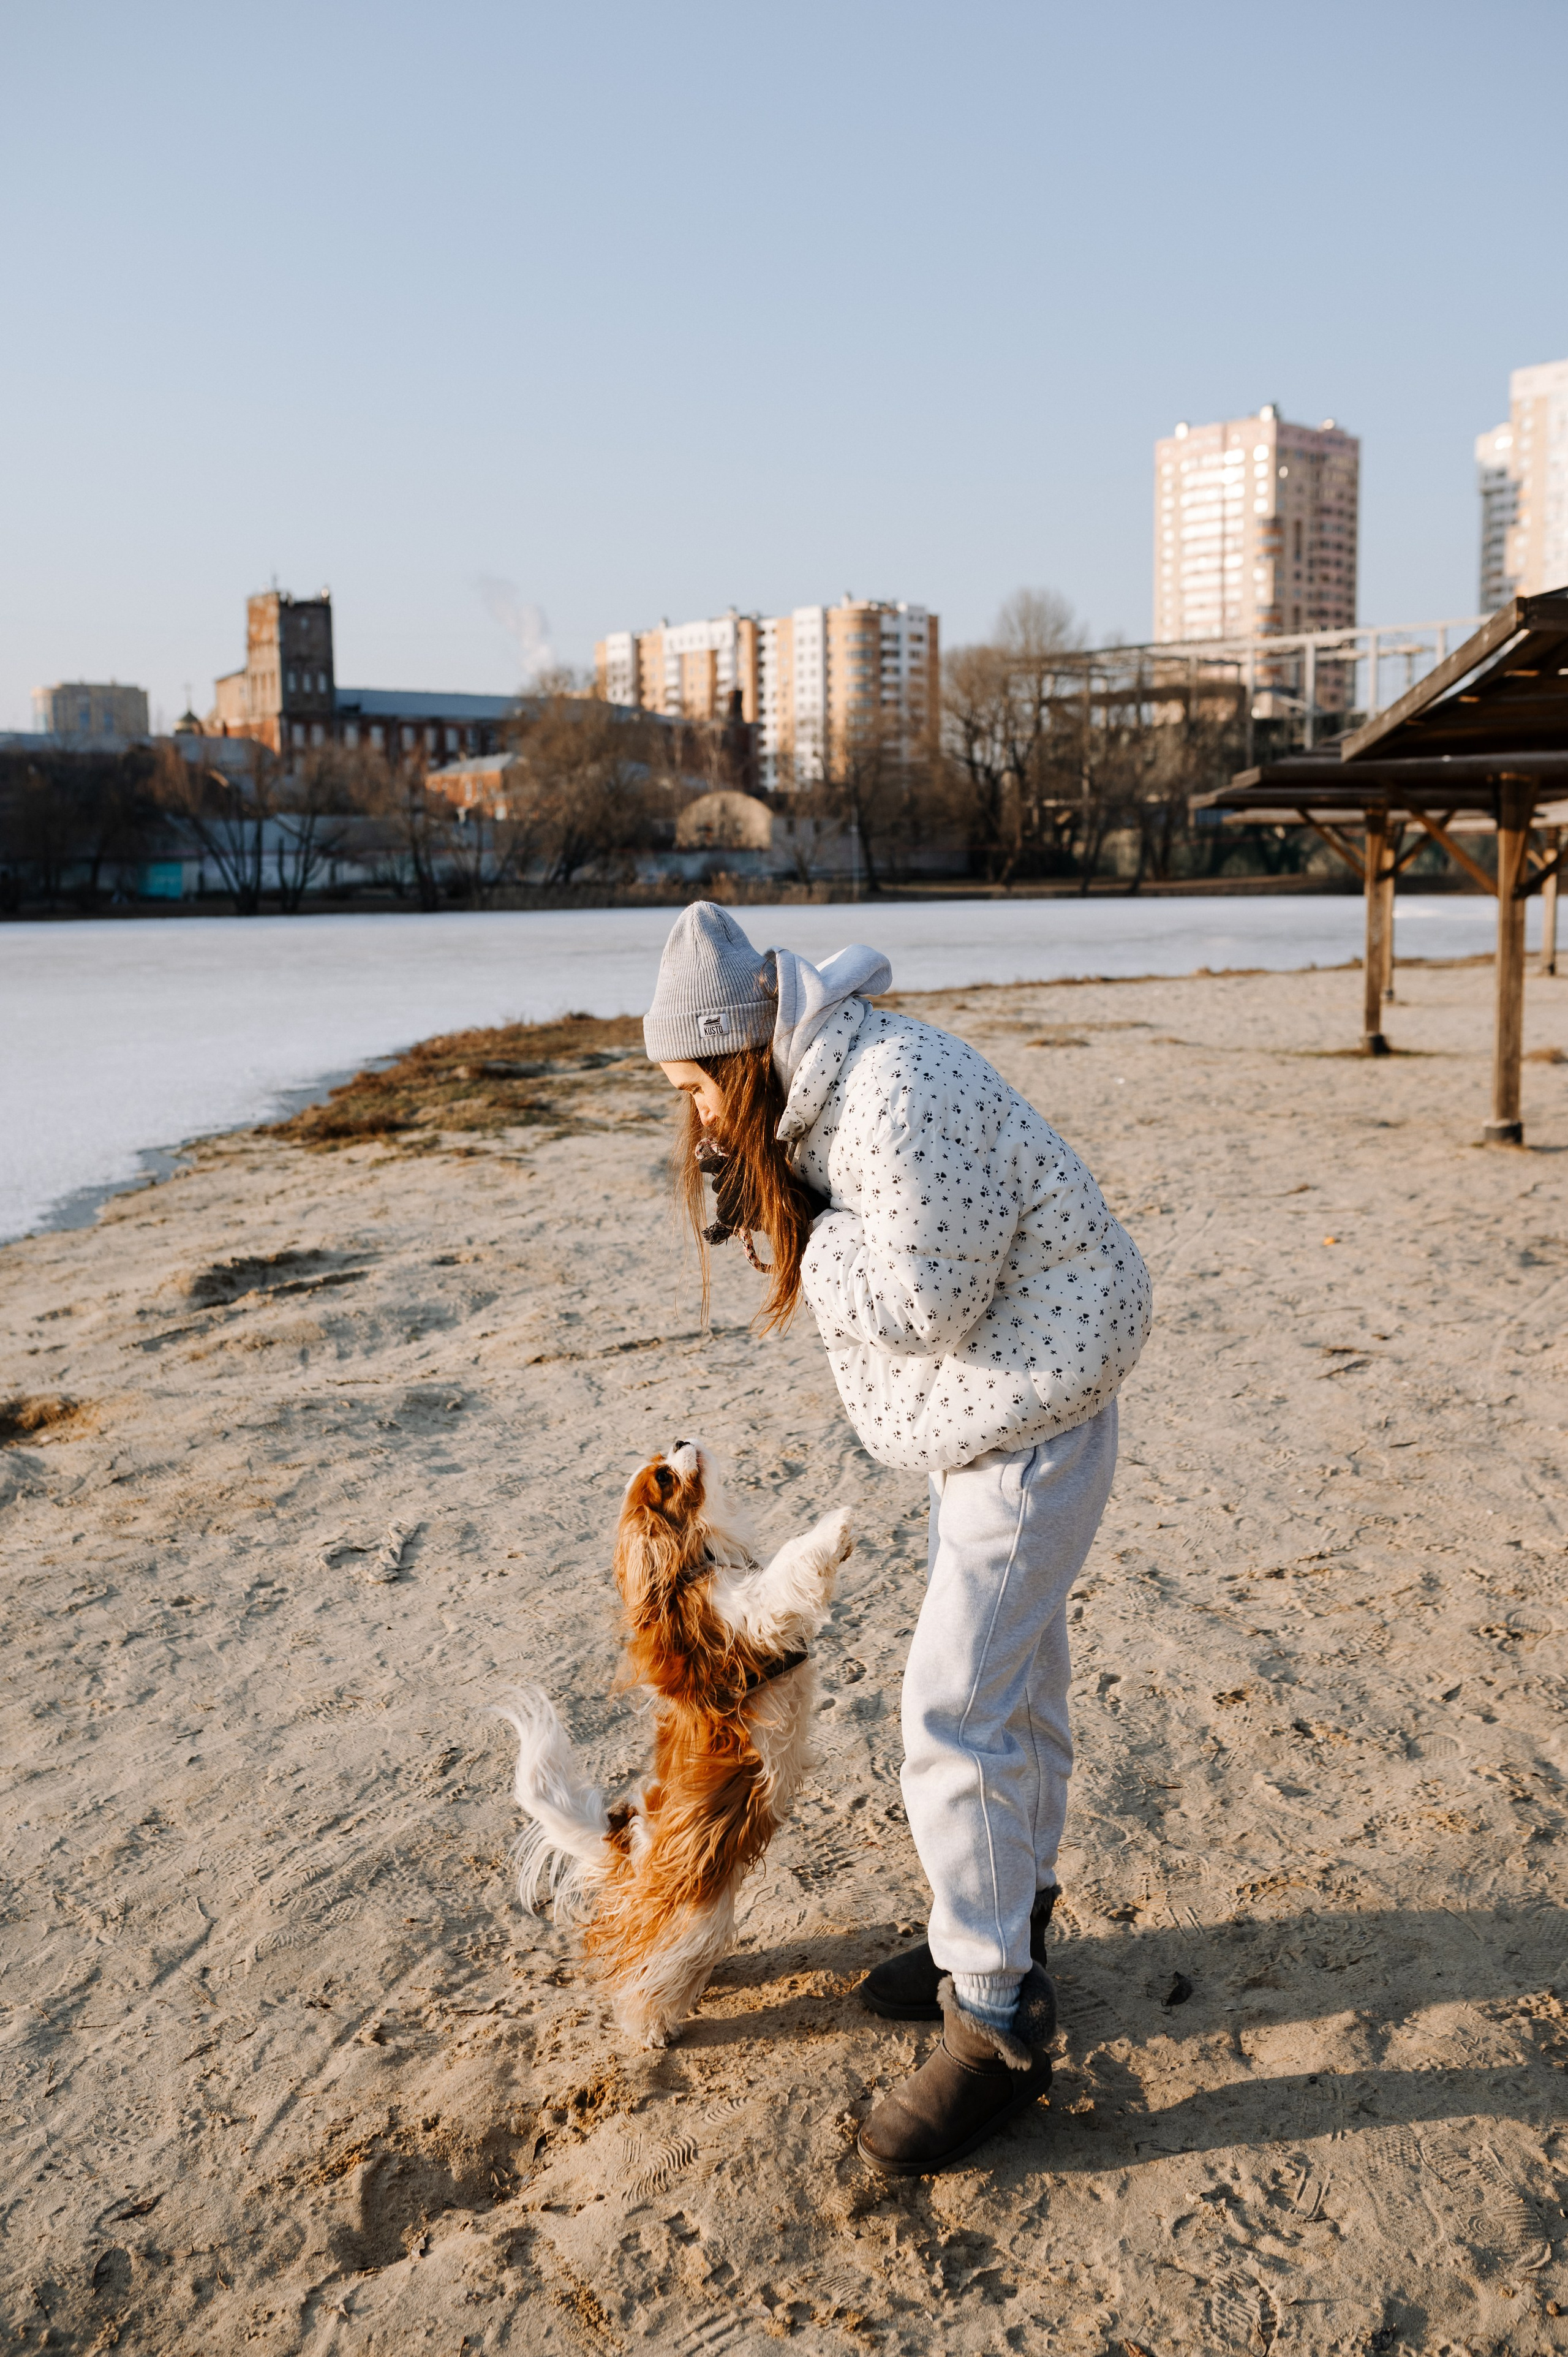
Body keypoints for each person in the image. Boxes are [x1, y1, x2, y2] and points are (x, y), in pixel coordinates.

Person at [641, 903, 1151, 2174]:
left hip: (1029, 1412)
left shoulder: (887, 1092)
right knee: (1012, 1686)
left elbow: (928, 1296)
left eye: (695, 1087)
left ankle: (993, 2025)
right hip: (1000, 1413)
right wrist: (797, 1194)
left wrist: (808, 1233)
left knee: (952, 1710)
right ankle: (1000, 1922)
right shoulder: (835, 1092)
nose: (698, 1118)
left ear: (741, 1053)